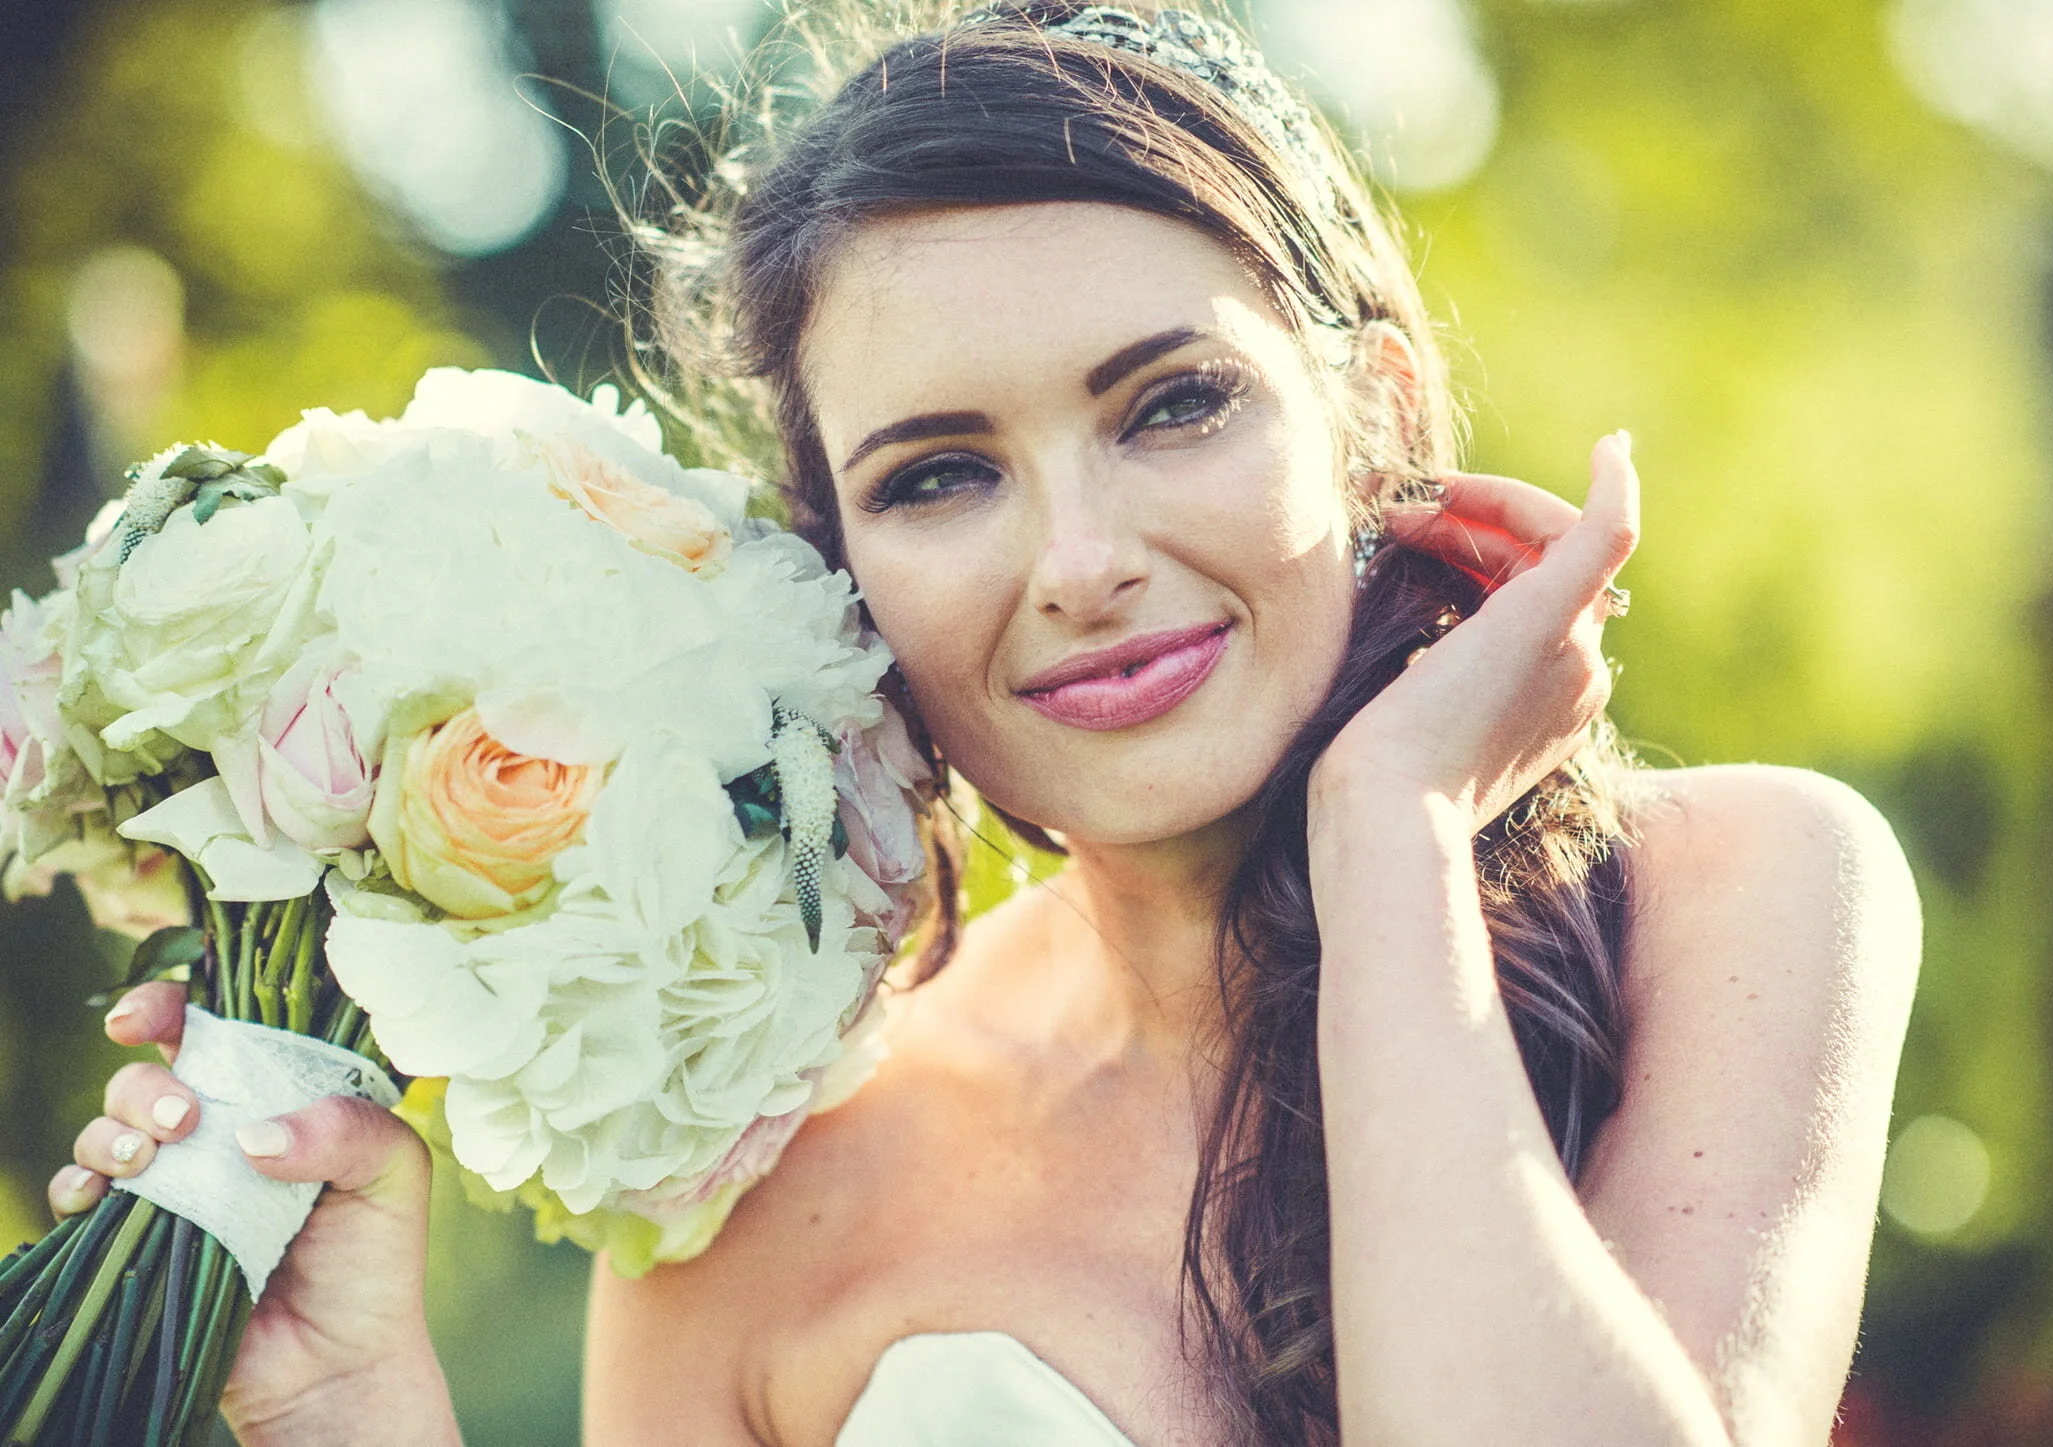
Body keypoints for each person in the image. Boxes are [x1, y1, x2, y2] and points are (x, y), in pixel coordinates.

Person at [47, 3, 1922, 1442]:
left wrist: (1392, 841)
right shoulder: (772, 1168)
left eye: (1171, 404)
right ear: (830, 561)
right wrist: (351, 1401)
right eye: (940, 476)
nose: (1081, 560)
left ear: (1373, 408)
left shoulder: (1741, 891)